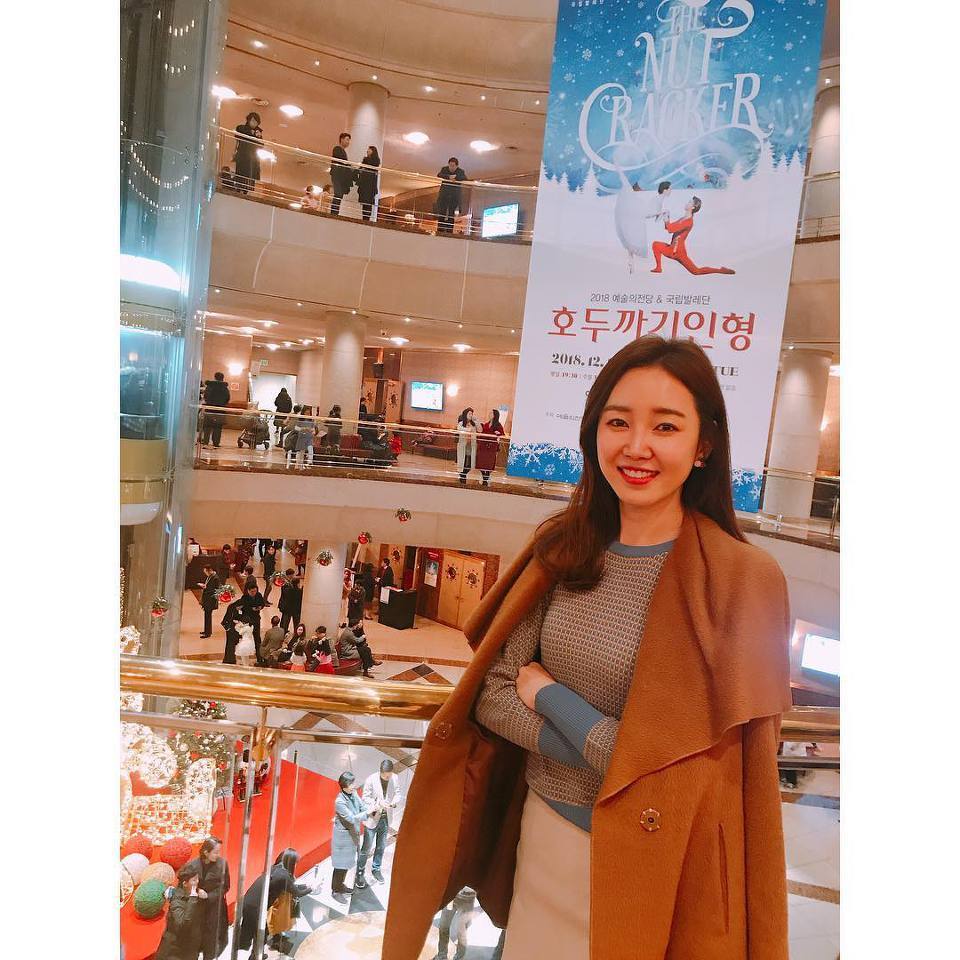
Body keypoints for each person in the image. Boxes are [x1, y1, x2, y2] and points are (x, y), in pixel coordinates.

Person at [382, 337, 793, 960]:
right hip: (546, 841)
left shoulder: (742, 580)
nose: (637, 446)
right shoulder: (564, 547)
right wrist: (609, 748)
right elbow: (493, 695)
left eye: (665, 426)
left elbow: (686, 773)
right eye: (618, 422)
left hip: (667, 869)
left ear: (703, 445)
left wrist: (551, 696)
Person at [237, 848, 314, 953]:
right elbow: (297, 893)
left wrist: (304, 886)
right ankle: (255, 956)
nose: (296, 865)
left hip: (248, 901)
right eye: (295, 863)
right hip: (256, 908)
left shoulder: (275, 868)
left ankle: (246, 948)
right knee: (261, 934)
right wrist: (311, 888)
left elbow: (289, 887)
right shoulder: (283, 876)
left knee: (249, 928)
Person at [651, 196, 735, 276]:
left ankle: (720, 270)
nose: (687, 203)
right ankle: (658, 268)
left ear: (693, 207)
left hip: (679, 252)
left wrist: (666, 216)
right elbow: (669, 227)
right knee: (655, 244)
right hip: (671, 249)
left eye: (690, 202)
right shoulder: (683, 218)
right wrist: (666, 217)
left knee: (696, 271)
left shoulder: (688, 222)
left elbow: (670, 229)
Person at [357, 759, 402, 886]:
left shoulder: (395, 778)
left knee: (381, 846)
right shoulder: (371, 779)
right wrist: (378, 803)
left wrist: (393, 802)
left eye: (389, 776)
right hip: (372, 818)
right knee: (366, 848)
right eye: (385, 776)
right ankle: (359, 872)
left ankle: (376, 869)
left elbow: (398, 794)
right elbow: (365, 798)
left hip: (385, 818)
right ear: (380, 771)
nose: (387, 778)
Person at [185, 837, 230, 960]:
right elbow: (183, 884)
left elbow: (225, 887)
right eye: (215, 852)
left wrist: (209, 896)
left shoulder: (222, 864)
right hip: (196, 907)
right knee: (194, 940)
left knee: (211, 942)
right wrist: (196, 890)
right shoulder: (192, 865)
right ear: (206, 852)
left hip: (214, 908)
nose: (218, 855)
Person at [331, 772, 370, 902]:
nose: (354, 786)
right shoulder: (340, 801)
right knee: (340, 865)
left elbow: (362, 806)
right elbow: (351, 818)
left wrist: (368, 809)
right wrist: (367, 813)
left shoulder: (353, 793)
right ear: (344, 786)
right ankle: (335, 890)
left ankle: (340, 885)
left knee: (346, 863)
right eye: (351, 784)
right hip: (343, 838)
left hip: (352, 834)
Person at [154, 863, 206, 960]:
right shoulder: (176, 901)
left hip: (190, 947)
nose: (197, 882)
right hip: (175, 951)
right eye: (194, 880)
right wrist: (193, 898)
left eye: (197, 879)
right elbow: (183, 924)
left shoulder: (195, 893)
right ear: (185, 883)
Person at [433, 888, 477, 960]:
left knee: (461, 932)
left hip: (468, 899)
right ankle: (442, 956)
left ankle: (459, 958)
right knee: (443, 926)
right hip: (452, 897)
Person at [233, 111, 263, 195]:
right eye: (252, 120)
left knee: (249, 174)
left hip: (253, 157)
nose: (254, 123)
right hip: (243, 155)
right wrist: (252, 133)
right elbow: (239, 133)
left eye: (256, 121)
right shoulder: (242, 128)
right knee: (241, 172)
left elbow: (261, 145)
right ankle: (239, 189)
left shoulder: (258, 132)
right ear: (249, 120)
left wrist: (258, 136)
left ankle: (246, 190)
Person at [435, 157, 467, 234]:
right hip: (444, 195)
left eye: (453, 166)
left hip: (454, 196)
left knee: (451, 213)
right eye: (450, 165)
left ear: (456, 166)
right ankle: (440, 231)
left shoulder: (460, 171)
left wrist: (456, 178)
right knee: (442, 212)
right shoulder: (444, 169)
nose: (451, 167)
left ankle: (449, 232)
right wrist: (448, 177)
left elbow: (464, 178)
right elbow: (439, 175)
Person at [237, 581, 266, 665]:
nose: (254, 593)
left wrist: (260, 607)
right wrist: (251, 609)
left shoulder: (259, 595)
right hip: (247, 620)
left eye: (255, 591)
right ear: (248, 591)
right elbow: (242, 608)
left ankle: (259, 657)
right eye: (252, 591)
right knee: (245, 638)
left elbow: (262, 604)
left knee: (257, 638)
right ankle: (245, 659)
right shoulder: (244, 597)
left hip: (256, 619)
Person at [476, 409, 505, 487]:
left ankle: (486, 479)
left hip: (491, 447)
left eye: (491, 413)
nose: (489, 414)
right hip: (483, 446)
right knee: (481, 462)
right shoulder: (486, 424)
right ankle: (484, 477)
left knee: (489, 463)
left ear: (495, 415)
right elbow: (482, 432)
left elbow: (502, 434)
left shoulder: (498, 425)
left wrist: (498, 433)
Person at [201, 373, 231, 448]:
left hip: (209, 409)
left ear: (215, 377)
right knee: (218, 427)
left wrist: (209, 402)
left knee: (207, 427)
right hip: (220, 410)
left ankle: (205, 442)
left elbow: (206, 396)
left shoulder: (210, 386)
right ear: (222, 378)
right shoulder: (225, 388)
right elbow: (227, 398)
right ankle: (216, 443)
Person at [330, 132, 355, 215]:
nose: (348, 142)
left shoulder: (343, 151)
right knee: (338, 194)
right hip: (337, 175)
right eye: (347, 139)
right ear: (342, 139)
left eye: (349, 140)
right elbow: (341, 161)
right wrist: (349, 165)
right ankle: (334, 213)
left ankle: (335, 212)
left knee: (339, 195)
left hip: (340, 176)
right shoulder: (337, 148)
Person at [357, 146, 380, 222]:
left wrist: (364, 168)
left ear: (373, 151)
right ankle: (365, 219)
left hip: (370, 184)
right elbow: (360, 169)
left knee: (368, 203)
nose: (367, 151)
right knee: (365, 203)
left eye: (369, 150)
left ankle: (366, 219)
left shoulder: (375, 160)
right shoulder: (366, 160)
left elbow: (370, 168)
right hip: (365, 184)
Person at [456, 407, 478, 484]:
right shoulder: (461, 423)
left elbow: (480, 430)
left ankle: (463, 475)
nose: (471, 415)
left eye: (472, 414)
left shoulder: (473, 424)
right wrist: (468, 430)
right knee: (463, 463)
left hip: (471, 446)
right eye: (469, 413)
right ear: (465, 414)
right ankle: (463, 477)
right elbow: (459, 429)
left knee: (469, 464)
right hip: (463, 446)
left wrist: (476, 421)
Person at [220, 595, 244, 665]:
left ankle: (231, 658)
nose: (240, 608)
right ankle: (229, 659)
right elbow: (227, 619)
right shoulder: (231, 609)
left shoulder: (238, 610)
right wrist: (229, 627)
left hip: (235, 629)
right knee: (230, 644)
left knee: (232, 645)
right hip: (231, 629)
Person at [198, 564, 220, 639]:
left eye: (205, 571)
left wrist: (205, 587)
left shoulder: (215, 578)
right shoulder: (210, 577)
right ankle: (206, 630)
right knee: (206, 616)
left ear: (209, 570)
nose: (205, 573)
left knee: (208, 616)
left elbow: (215, 590)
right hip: (207, 599)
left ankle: (208, 633)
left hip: (210, 600)